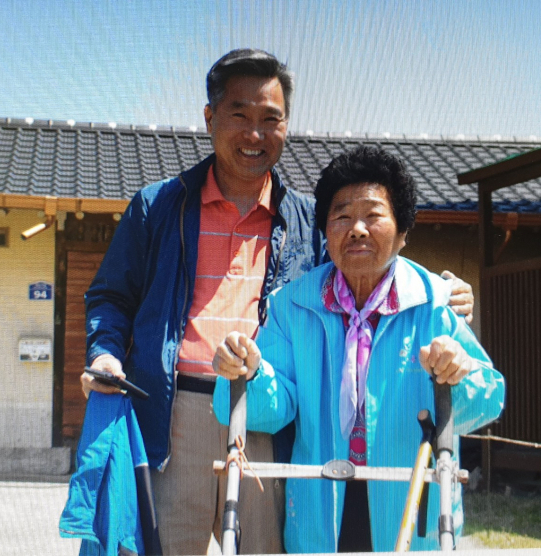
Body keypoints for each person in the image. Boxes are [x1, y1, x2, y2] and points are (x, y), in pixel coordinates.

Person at [80, 50, 475, 555]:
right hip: (175, 410)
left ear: (287, 126)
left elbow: (364, 269)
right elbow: (110, 296)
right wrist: (105, 353)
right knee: (167, 546)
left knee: (266, 548)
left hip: (271, 411)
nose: (255, 134)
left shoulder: (311, 218)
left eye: (271, 120)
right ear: (209, 118)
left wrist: (441, 290)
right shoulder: (157, 207)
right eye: (239, 116)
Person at [212, 145, 505, 553]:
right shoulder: (291, 305)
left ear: (403, 231)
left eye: (373, 215)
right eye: (342, 216)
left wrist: (459, 373)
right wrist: (247, 371)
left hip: (412, 502)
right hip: (320, 505)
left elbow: (488, 398)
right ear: (326, 232)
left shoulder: (433, 300)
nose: (357, 228)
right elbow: (269, 408)